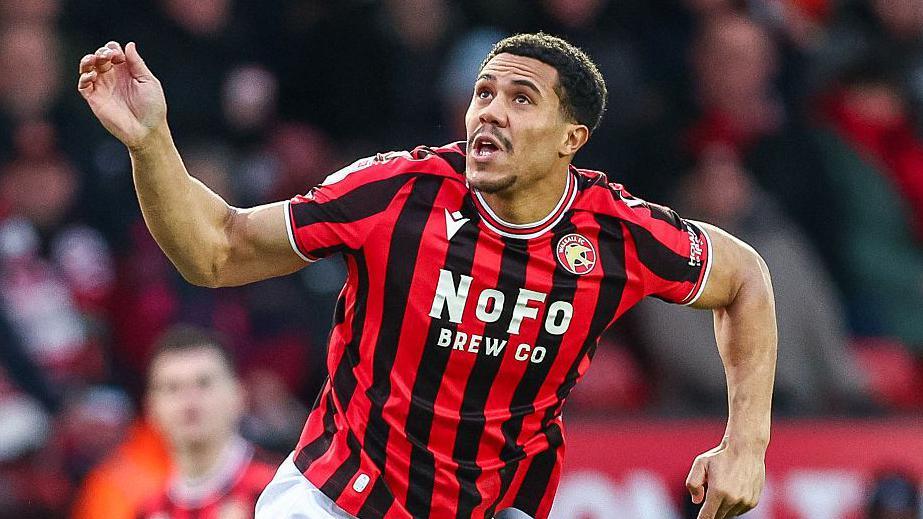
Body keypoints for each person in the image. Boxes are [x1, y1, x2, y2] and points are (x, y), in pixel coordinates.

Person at [77, 33, 777, 519]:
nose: (490, 112)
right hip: (338, 495)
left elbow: (745, 278)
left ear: (572, 138)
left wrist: (745, 443)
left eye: (521, 98)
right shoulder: (396, 192)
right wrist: (150, 144)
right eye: (483, 92)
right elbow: (216, 251)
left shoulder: (614, 233)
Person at [137, 325, 275, 518]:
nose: (188, 401)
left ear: (239, 396)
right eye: (172, 388)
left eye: (204, 383)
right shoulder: (148, 511)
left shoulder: (276, 490)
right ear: (151, 409)